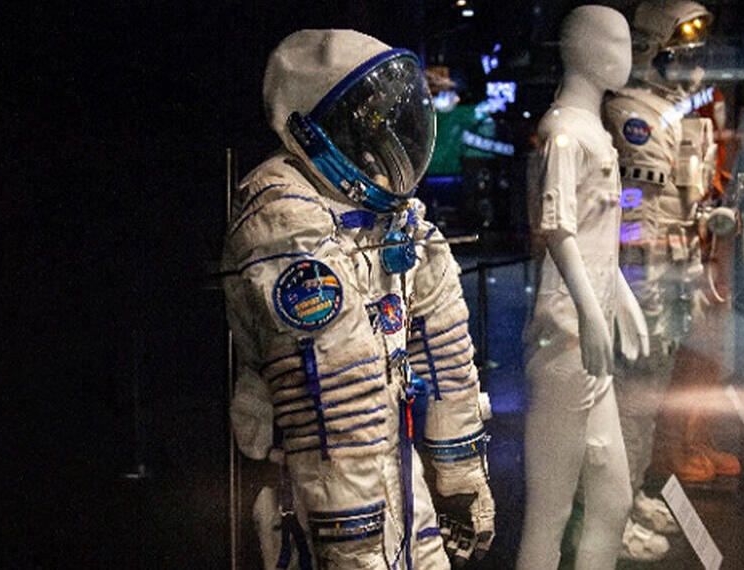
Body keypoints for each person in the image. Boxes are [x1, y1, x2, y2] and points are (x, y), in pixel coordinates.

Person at [222, 29, 494, 569]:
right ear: (311, 128)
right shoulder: (283, 221)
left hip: (390, 452)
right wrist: (352, 537)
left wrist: (460, 473)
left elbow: (442, 349)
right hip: (326, 475)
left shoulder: (388, 212)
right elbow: (336, 396)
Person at [601, 0, 740, 560]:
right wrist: (647, 238)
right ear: (651, 50)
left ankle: (632, 495)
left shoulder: (672, 111)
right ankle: (614, 510)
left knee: (651, 400)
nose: (693, 66)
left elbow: (682, 198)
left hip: (675, 269)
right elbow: (624, 198)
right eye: (681, 54)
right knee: (631, 404)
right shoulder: (628, 113)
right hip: (641, 275)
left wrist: (701, 225)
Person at [516, 6, 650, 569]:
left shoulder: (592, 130)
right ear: (588, 50)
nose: (628, 53)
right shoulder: (565, 134)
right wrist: (593, 314)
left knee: (613, 500)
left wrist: (619, 297)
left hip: (589, 350)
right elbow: (558, 231)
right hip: (566, 345)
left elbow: (594, 235)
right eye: (617, 41)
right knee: (548, 509)